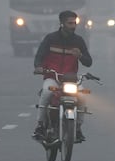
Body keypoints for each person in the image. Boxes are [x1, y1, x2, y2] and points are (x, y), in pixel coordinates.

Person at [33, 10, 93, 142]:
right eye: (69, 23)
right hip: (52, 77)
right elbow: (39, 56)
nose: (73, 26)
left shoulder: (79, 41)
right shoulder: (50, 38)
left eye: (74, 23)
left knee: (82, 96)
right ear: (62, 23)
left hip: (71, 80)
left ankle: (77, 128)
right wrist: (38, 66)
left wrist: (81, 56)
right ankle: (41, 125)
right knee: (46, 93)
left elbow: (89, 62)